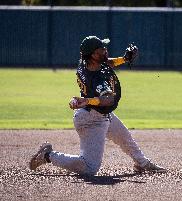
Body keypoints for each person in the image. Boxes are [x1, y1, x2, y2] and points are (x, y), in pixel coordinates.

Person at [29, 36, 166, 176]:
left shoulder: (86, 61)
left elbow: (107, 63)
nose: (105, 50)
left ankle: (142, 163)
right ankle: (48, 155)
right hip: (91, 120)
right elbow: (108, 99)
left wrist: (124, 59)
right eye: (101, 49)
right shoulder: (97, 78)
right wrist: (88, 101)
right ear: (93, 55)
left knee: (125, 139)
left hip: (97, 113)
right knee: (89, 168)